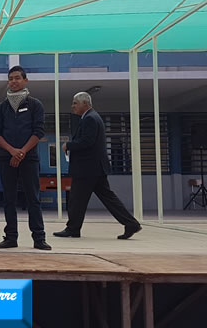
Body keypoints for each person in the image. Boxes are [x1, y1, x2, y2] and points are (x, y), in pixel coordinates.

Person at [54, 92, 142, 240]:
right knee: (108, 198)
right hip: (95, 168)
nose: (73, 106)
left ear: (85, 104)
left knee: (76, 199)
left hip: (87, 168)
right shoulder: (92, 117)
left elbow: (87, 141)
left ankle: (73, 229)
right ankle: (131, 223)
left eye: (75, 103)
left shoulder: (90, 119)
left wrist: (68, 145)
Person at [0, 66, 52, 250]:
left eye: (17, 78)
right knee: (9, 199)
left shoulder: (35, 105)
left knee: (33, 198)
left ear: (25, 80)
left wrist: (22, 152)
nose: (14, 81)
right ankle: (11, 237)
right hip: (7, 158)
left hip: (29, 158)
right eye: (11, 78)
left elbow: (38, 131)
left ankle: (39, 238)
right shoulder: (2, 107)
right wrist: (12, 151)